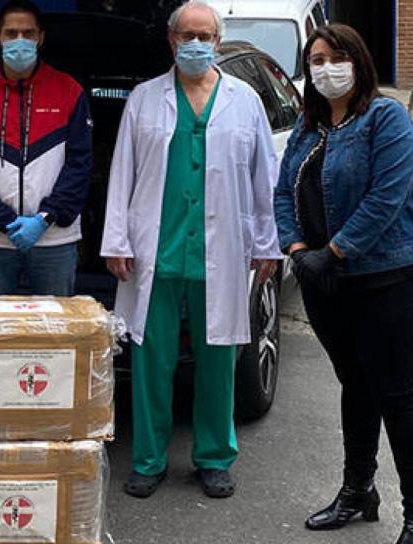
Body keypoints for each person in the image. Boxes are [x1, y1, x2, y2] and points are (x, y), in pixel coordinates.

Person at [273, 24, 413, 544]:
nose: (326, 68)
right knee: (355, 385)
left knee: (396, 395)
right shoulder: (309, 125)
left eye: (336, 56)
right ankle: (358, 492)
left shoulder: (385, 118)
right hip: (326, 277)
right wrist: (297, 247)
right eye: (316, 60)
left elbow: (387, 196)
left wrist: (337, 250)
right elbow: (282, 192)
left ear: (358, 61)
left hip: (391, 274)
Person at [101, 0, 281, 500]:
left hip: (221, 249)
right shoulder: (144, 98)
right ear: (171, 41)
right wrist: (116, 238)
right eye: (186, 35)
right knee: (151, 357)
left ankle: (214, 456)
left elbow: (264, 175)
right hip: (154, 246)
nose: (195, 44)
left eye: (205, 35)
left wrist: (268, 242)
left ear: (218, 42)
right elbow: (123, 171)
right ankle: (149, 459)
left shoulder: (244, 100)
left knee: (218, 356)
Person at [0, 0, 93, 297]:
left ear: (40, 37)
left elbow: (80, 164)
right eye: (11, 33)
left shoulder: (69, 90)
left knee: (55, 334)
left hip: (54, 239)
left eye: (27, 33)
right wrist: (4, 220)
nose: (20, 41)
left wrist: (45, 219)